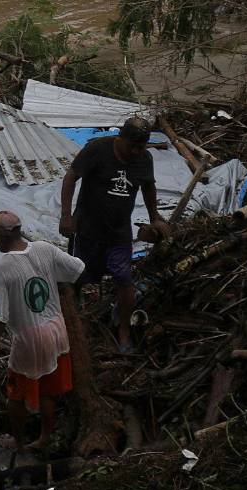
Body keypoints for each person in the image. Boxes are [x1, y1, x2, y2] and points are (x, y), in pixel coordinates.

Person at [0, 211, 85, 450]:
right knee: (48, 387)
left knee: (16, 394)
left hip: (30, 338)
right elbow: (77, 268)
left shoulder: (1, 269)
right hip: (57, 328)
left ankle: (19, 440)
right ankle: (45, 437)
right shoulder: (44, 249)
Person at [59, 116, 164, 353]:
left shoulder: (144, 159)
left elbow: (148, 187)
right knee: (79, 274)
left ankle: (124, 329)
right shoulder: (97, 149)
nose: (136, 151)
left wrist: (154, 217)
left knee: (123, 277)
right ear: (120, 139)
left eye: (141, 147)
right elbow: (70, 178)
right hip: (88, 228)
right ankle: (74, 321)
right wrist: (66, 215)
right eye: (132, 146)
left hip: (119, 231)